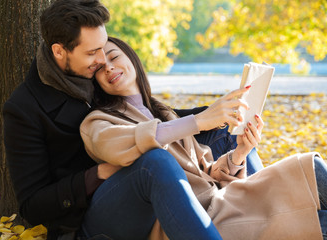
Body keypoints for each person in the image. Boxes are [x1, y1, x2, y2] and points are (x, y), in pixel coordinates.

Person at [3, 0, 265, 239]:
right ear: (60, 52)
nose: (103, 60)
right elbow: (32, 205)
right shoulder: (25, 108)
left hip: (142, 167)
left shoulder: (94, 71)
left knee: (229, 133)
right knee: (155, 161)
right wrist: (96, 174)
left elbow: (144, 115)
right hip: (95, 211)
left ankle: (267, 214)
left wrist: (216, 115)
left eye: (106, 49)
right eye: (93, 52)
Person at [80, 36, 327, 240]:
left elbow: (206, 172)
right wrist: (199, 121)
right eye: (100, 68)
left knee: (311, 169)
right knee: (314, 224)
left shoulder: (164, 113)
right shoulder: (98, 122)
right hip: (186, 220)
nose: (109, 67)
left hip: (219, 202)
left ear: (131, 58)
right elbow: (119, 145)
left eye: (113, 57)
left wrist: (240, 152)